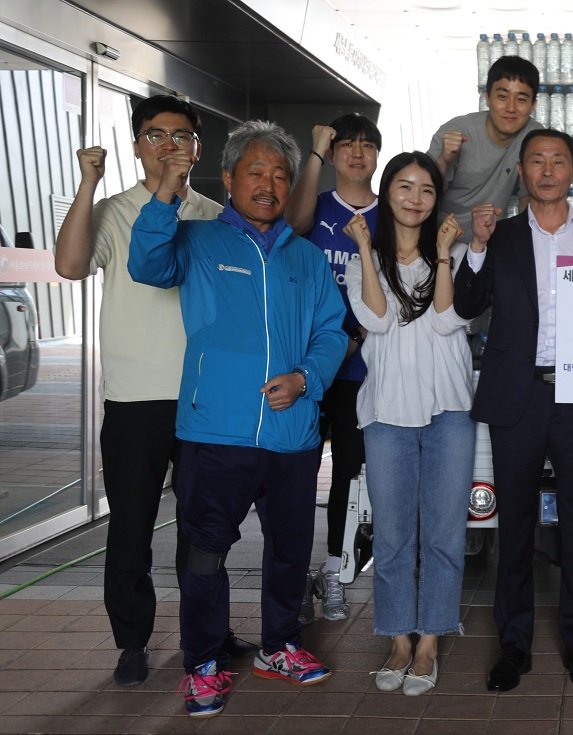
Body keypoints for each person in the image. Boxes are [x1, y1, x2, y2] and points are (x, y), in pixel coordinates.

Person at [128, 120, 347, 718]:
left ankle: (280, 646)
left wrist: (305, 379)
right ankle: (202, 661)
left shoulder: (306, 258)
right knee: (205, 554)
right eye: (255, 171)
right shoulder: (196, 240)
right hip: (214, 431)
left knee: (289, 550)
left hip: (293, 433)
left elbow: (332, 332)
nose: (268, 184)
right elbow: (145, 263)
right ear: (228, 178)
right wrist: (166, 193)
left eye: (279, 174)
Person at [51, 95, 258, 688]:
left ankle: (207, 633)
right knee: (131, 526)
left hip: (203, 400)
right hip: (134, 399)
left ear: (198, 147)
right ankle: (132, 642)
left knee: (203, 527)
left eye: (181, 136)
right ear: (137, 144)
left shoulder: (215, 216)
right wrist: (87, 184)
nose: (169, 145)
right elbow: (69, 266)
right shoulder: (113, 210)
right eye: (156, 135)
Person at [454, 129, 573, 693]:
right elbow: (468, 304)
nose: (547, 171)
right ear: (521, 171)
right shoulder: (498, 236)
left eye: (558, 161)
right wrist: (476, 246)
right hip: (517, 395)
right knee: (515, 524)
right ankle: (513, 645)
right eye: (536, 161)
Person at [342, 152, 475, 696]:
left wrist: (442, 254)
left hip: (449, 410)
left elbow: (445, 320)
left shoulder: (458, 255)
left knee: (444, 534)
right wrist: (364, 249)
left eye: (426, 189)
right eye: (404, 186)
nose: (415, 198)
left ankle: (430, 642)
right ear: (387, 191)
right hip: (386, 413)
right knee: (394, 535)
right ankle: (398, 639)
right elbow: (375, 318)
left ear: (436, 198)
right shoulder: (362, 261)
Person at [285, 113, 382, 624]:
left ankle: (333, 570)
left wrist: (358, 336)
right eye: (347, 144)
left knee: (350, 473)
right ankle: (293, 578)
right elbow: (296, 224)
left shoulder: (391, 213)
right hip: (304, 366)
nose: (357, 153)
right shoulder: (316, 205)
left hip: (360, 371)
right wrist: (316, 152)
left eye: (367, 145)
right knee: (295, 474)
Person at [428, 55, 542, 237]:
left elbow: (529, 198)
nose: (511, 108)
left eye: (521, 99)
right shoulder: (457, 131)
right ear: (487, 97)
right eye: (502, 97)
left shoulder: (534, 137)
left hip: (490, 242)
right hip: (440, 239)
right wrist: (444, 159)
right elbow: (422, 193)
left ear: (533, 105)